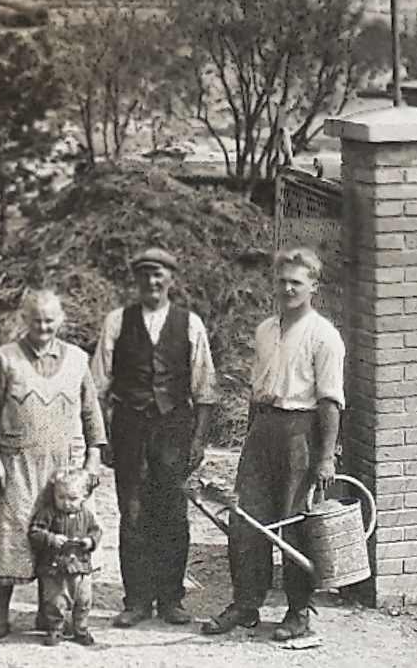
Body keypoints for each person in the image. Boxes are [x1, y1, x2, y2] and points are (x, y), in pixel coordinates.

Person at [201, 249, 344, 643]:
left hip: (302, 431)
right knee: (245, 520)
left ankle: (299, 612)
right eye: (282, 281)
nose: (287, 289)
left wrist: (325, 457)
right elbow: (256, 389)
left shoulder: (324, 336)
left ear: (313, 286)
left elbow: (331, 401)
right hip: (263, 430)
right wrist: (251, 437)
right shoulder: (265, 330)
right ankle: (246, 605)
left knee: (293, 523)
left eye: (296, 282)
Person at [88, 246, 218, 627]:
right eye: (144, 274)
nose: (152, 281)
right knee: (132, 513)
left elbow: (205, 387)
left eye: (158, 274)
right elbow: (97, 387)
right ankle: (137, 601)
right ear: (136, 280)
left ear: (171, 279)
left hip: (174, 429)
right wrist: (102, 437)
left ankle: (171, 599)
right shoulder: (117, 322)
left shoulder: (190, 324)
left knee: (172, 513)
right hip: (129, 428)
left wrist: (198, 440)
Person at [0, 288, 107, 641]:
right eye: (36, 321)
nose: (43, 327)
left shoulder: (77, 359)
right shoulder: (5, 358)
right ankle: (0, 616)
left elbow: (91, 412)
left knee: (66, 534)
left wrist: (93, 458)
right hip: (17, 465)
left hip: (66, 469)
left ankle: (51, 613)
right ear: (24, 320)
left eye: (49, 321)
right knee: (10, 537)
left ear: (60, 320)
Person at [28, 467, 104, 647]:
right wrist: (51, 538)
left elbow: (96, 531)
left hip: (80, 566)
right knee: (56, 600)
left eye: (72, 498)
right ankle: (55, 629)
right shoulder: (48, 513)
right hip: (55, 567)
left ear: (84, 496)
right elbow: (35, 532)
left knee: (83, 600)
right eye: (61, 497)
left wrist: (89, 541)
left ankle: (81, 629)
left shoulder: (86, 515)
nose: (66, 503)